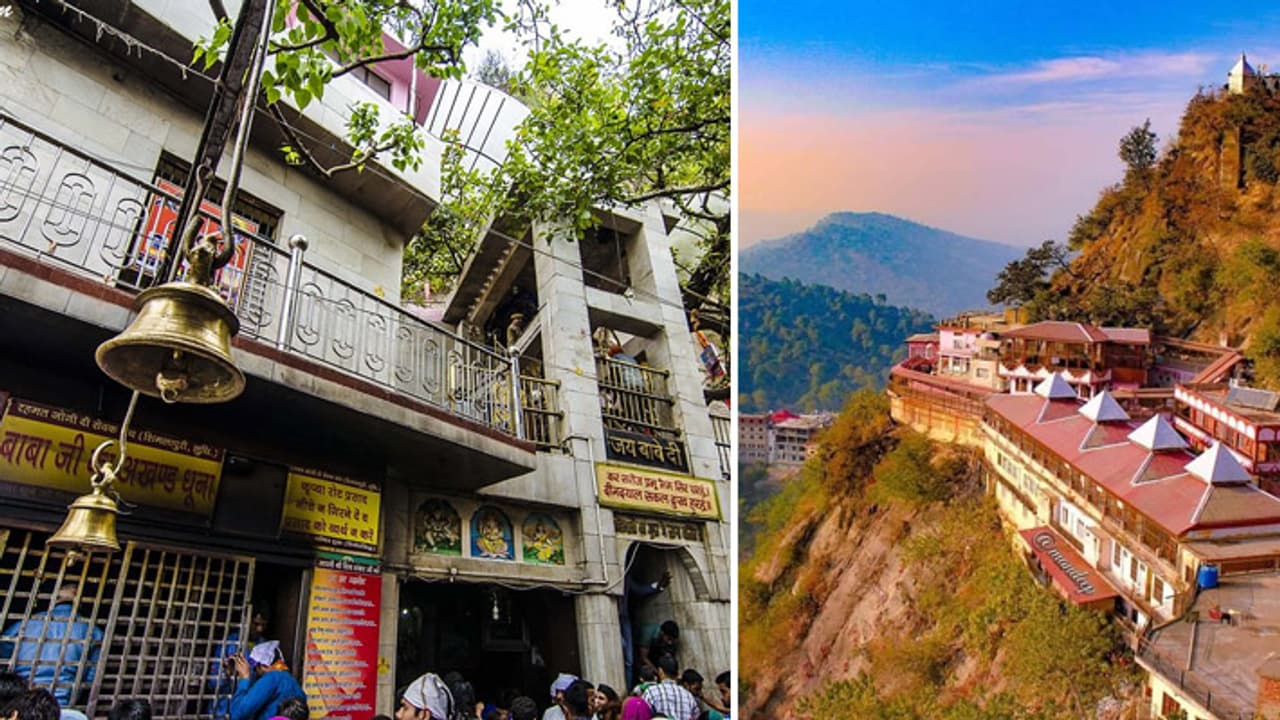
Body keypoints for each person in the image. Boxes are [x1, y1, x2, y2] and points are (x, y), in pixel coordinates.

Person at [0, 586, 103, 707]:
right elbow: (91, 675)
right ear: (81, 602)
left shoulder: (25, 623)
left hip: (24, 696)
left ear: (53, 599)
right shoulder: (93, 631)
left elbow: (4, 653)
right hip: (63, 700)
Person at [228, 641, 306, 720]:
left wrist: (244, 678)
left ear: (263, 666)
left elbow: (238, 714)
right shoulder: (292, 683)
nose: (255, 673)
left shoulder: (272, 677)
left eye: (255, 669)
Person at [619, 568, 670, 687]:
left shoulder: (625, 577)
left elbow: (637, 589)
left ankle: (628, 687)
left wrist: (658, 586)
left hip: (623, 617)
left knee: (629, 660)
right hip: (611, 616)